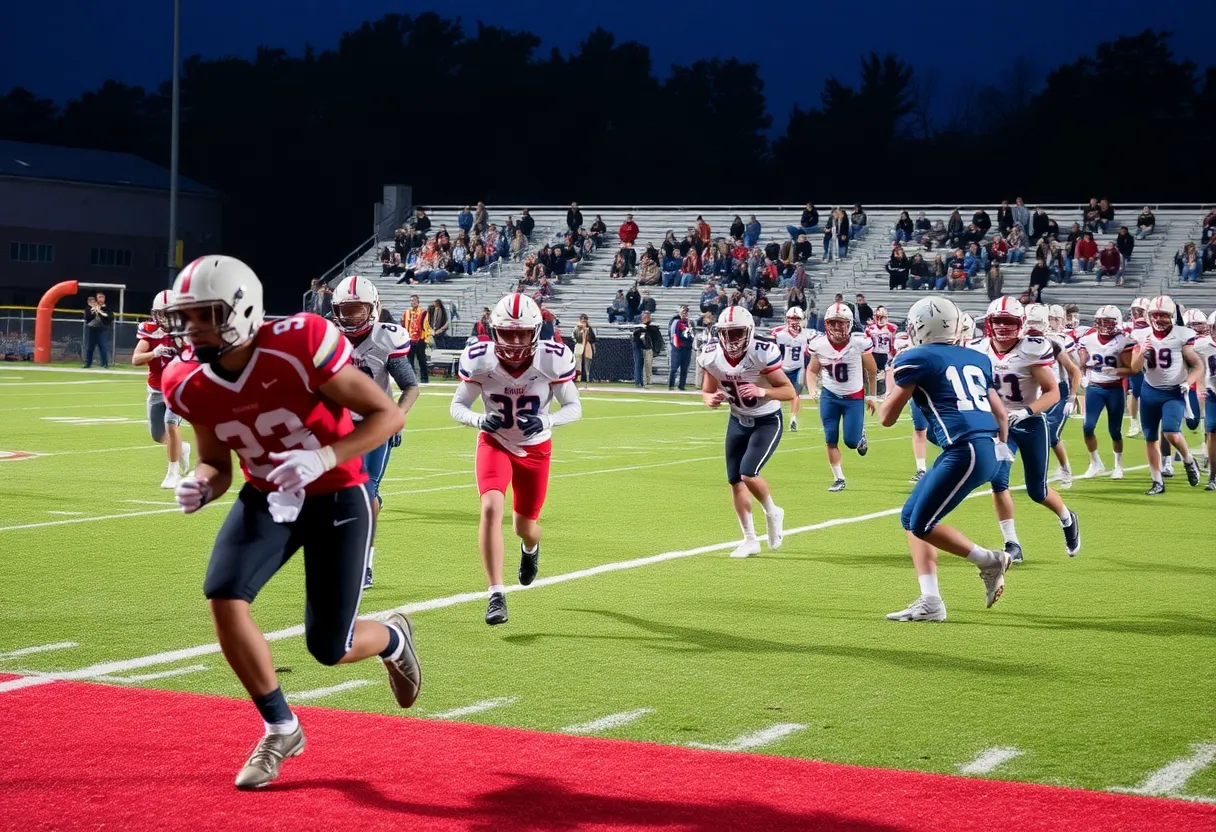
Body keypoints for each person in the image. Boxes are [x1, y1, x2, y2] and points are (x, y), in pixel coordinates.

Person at [161, 255, 420, 790]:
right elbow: (216, 463)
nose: (192, 328)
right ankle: (281, 728)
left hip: (337, 496)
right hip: (266, 496)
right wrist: (202, 484)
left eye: (205, 314)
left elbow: (388, 414)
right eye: (186, 316)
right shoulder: (186, 380)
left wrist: (323, 458)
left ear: (241, 310)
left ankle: (393, 638)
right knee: (224, 595)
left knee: (329, 648)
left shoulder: (299, 343)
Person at [449, 294, 582, 625]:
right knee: (491, 507)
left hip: (536, 449)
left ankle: (530, 549)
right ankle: (496, 593)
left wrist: (547, 420)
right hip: (495, 442)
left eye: (522, 333)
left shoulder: (551, 359)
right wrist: (480, 420)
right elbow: (457, 406)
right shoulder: (480, 359)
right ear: (495, 331)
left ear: (535, 332)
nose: (515, 341)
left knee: (526, 528)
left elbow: (574, 407)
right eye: (508, 333)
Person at [881, 296, 1013, 622]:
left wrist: (891, 384)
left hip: (965, 450)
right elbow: (1000, 413)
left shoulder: (916, 358)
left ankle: (989, 560)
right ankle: (931, 601)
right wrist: (1000, 447)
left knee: (922, 524)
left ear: (919, 327)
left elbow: (886, 418)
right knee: (910, 518)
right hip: (981, 447)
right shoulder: (977, 358)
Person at [971, 298, 1080, 563]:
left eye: (1009, 321)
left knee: (1037, 491)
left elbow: (1052, 392)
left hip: (1029, 422)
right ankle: (1012, 543)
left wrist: (1026, 411)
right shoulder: (977, 349)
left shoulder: (1032, 349)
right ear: (989, 322)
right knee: (998, 481)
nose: (1003, 327)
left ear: (1020, 323)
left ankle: (1067, 518)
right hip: (998, 425)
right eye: (998, 321)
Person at [330, 276, 420, 588]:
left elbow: (410, 387)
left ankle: (364, 562)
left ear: (373, 309)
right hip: (337, 425)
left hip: (374, 423)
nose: (352, 316)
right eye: (346, 310)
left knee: (366, 494)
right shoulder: (327, 338)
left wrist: (396, 415)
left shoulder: (386, 339)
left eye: (358, 309)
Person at [698, 306, 796, 559]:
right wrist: (710, 399)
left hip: (767, 420)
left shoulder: (761, 352)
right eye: (726, 333)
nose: (731, 339)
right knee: (735, 480)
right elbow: (707, 390)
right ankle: (750, 540)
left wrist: (763, 391)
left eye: (737, 333)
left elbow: (789, 391)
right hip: (738, 420)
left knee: (748, 473)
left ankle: (773, 511)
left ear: (749, 331)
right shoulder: (711, 355)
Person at [1128, 296, 1203, 495]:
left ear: (1172, 316)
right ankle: (1157, 481)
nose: (1158, 319)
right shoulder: (1142, 335)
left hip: (1173, 392)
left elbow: (1198, 365)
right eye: (1155, 315)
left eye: (1163, 315)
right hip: (1149, 391)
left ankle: (1188, 461)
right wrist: (1142, 351)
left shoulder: (1182, 335)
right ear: (1149, 315)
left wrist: (1188, 382)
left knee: (1171, 433)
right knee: (1150, 438)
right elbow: (1134, 368)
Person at [806, 302, 878, 492]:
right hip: (829, 396)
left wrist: (872, 396)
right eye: (833, 322)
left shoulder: (859, 342)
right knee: (830, 437)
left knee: (851, 442)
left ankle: (860, 435)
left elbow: (872, 371)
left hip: (854, 397)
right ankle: (839, 478)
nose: (837, 327)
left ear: (850, 324)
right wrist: (812, 389)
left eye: (842, 322)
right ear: (826, 323)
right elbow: (812, 370)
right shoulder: (819, 344)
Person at [131, 289, 191, 488]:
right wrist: (154, 353)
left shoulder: (188, 331)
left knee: (171, 424)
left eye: (168, 313)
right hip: (156, 389)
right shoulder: (149, 330)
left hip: (178, 387)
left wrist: (183, 353)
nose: (163, 318)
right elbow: (136, 359)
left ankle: (173, 473)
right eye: (160, 313)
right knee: (158, 435)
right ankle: (181, 448)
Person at [1076, 306, 1135, 479]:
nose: (1103, 325)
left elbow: (1131, 369)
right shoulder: (1088, 339)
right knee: (1087, 427)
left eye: (1107, 322)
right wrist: (1083, 364)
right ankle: (1095, 462)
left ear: (1116, 322)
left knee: (1114, 430)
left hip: (1114, 388)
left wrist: (1116, 371)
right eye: (1100, 322)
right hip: (1095, 387)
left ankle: (1118, 465)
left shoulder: (1124, 341)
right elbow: (1082, 357)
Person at [1027, 304, 1082, 488]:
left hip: (1057, 392)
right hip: (1035, 393)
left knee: (1051, 434)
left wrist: (1072, 397)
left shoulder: (1057, 341)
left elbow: (1075, 369)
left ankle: (1065, 470)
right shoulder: (1022, 342)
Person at [771, 308, 816, 431]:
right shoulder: (778, 333)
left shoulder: (808, 334)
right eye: (792, 318)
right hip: (781, 368)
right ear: (787, 319)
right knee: (776, 394)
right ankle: (775, 418)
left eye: (797, 318)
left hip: (798, 368)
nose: (794, 321)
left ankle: (793, 419)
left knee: (795, 394)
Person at [1190, 310, 1216, 489]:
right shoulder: (1202, 345)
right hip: (1212, 394)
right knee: (1212, 430)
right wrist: (1199, 385)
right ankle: (1213, 476)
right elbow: (1198, 366)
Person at [1124, 298, 1150, 437]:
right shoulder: (1129, 328)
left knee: (1149, 396)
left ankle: (1148, 424)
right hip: (1136, 366)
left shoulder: (1155, 328)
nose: (1137, 315)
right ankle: (1134, 423)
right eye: (1135, 312)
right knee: (1134, 393)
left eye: (1140, 311)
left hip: (1152, 367)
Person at [865, 307, 898, 395]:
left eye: (884, 317)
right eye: (880, 317)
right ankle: (873, 389)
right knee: (873, 372)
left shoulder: (892, 328)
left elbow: (893, 342)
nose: (882, 320)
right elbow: (867, 343)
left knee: (886, 372)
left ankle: (884, 390)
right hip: (874, 353)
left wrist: (893, 353)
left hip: (886, 353)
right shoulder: (870, 328)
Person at [401, 295, 430, 383]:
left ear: (418, 301)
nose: (413, 302)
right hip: (410, 339)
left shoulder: (423, 312)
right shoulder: (407, 313)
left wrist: (425, 337)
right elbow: (403, 324)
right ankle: (411, 378)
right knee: (409, 360)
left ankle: (424, 378)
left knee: (422, 360)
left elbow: (427, 325)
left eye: (414, 300)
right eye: (411, 300)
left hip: (420, 339)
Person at [83, 293, 113, 368]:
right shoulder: (90, 308)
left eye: (102, 297)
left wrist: (100, 312)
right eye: (99, 297)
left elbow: (110, 317)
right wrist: (93, 311)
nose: (101, 299)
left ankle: (104, 364)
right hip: (92, 329)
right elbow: (87, 317)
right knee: (90, 347)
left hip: (102, 330)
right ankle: (88, 363)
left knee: (103, 346)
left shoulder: (106, 308)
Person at [667, 306, 694, 390]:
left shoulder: (690, 323)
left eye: (686, 313)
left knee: (684, 368)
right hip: (677, 348)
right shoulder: (675, 322)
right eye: (683, 312)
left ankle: (682, 385)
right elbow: (673, 334)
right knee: (674, 368)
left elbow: (692, 335)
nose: (684, 314)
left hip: (687, 348)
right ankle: (671, 385)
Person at [572, 313, 596, 388]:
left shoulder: (589, 328)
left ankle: (587, 377)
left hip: (587, 345)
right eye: (582, 320)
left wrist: (588, 339)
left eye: (585, 320)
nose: (584, 322)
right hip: (579, 345)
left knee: (587, 361)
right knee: (578, 361)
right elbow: (573, 336)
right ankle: (578, 377)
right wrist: (577, 341)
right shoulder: (577, 328)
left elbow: (593, 338)